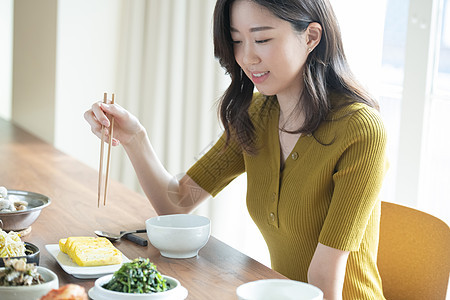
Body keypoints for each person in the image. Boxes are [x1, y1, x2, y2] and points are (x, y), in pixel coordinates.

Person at [84, 0, 388, 299]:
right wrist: (134, 137)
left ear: (310, 37)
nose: (246, 57)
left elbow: (324, 279)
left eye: (262, 39)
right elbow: (176, 203)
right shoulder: (257, 116)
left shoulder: (360, 130)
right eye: (237, 41)